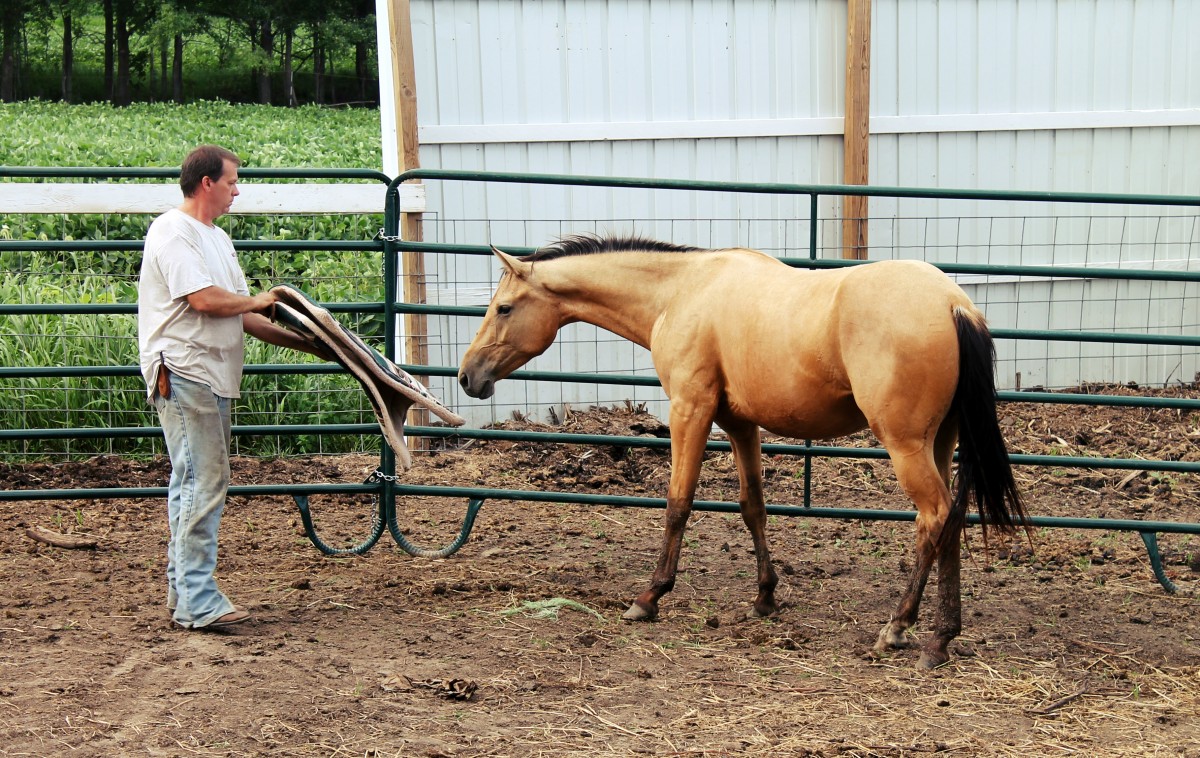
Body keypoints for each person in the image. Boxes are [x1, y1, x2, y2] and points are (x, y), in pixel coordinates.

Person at [137, 145, 326, 630]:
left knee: (192, 481)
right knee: (204, 479)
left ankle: (184, 595)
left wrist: (312, 345)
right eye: (232, 181)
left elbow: (243, 312)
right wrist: (264, 299)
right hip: (184, 368)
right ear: (206, 183)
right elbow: (203, 300)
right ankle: (198, 599)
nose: (237, 190)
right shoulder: (173, 232)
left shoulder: (216, 239)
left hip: (211, 373)